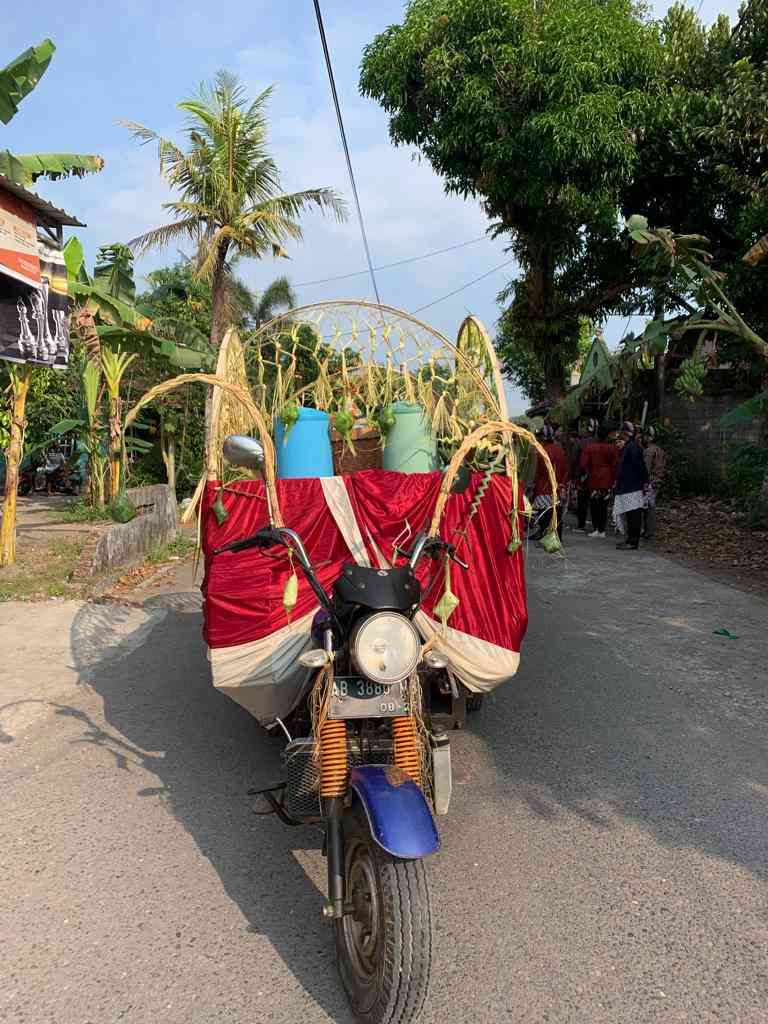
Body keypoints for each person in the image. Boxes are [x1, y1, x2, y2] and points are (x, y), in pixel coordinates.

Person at [613, 422, 649, 550]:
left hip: (632, 486)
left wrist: (644, 482)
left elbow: (638, 467)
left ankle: (633, 541)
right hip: (629, 486)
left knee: (633, 514)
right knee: (630, 513)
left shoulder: (632, 447)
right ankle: (630, 539)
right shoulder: (629, 446)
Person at [582, 423, 619, 537]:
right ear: (608, 435)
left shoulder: (590, 447)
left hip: (594, 478)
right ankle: (602, 530)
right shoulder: (613, 448)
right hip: (607, 478)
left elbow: (583, 464)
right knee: (604, 505)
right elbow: (616, 464)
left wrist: (585, 475)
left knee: (594, 504)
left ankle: (596, 528)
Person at [532, 424, 569, 540]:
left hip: (544, 487)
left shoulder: (543, 451)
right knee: (556, 513)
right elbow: (565, 468)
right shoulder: (560, 450)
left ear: (543, 438)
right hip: (558, 486)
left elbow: (540, 471)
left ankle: (543, 535)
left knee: (544, 513)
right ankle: (557, 537)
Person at [571, 418, 596, 532]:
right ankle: (596, 525)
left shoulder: (580, 443)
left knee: (582, 501)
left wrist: (573, 474)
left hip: (583, 475)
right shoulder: (599, 442)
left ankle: (581, 524)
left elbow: (574, 459)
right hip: (596, 476)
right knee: (595, 501)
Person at [641, 427, 666, 540]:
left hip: (650, 482)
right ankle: (648, 530)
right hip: (657, 481)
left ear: (649, 437)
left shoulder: (648, 451)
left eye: (645, 436)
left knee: (648, 507)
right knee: (650, 506)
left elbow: (645, 469)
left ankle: (649, 531)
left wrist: (643, 483)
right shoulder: (660, 450)